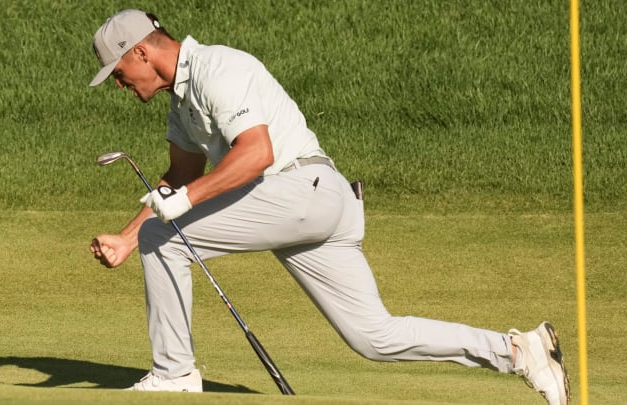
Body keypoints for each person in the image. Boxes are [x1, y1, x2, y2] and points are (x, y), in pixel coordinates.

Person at [87, 9, 570, 404]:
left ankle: (174, 373)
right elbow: (181, 177)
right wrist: (128, 240)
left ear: (141, 52)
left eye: (118, 71)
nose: (118, 83)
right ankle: (519, 352)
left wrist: (179, 208)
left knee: (165, 239)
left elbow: (257, 154)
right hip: (318, 203)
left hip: (300, 188)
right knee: (373, 338)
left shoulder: (217, 68)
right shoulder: (180, 104)